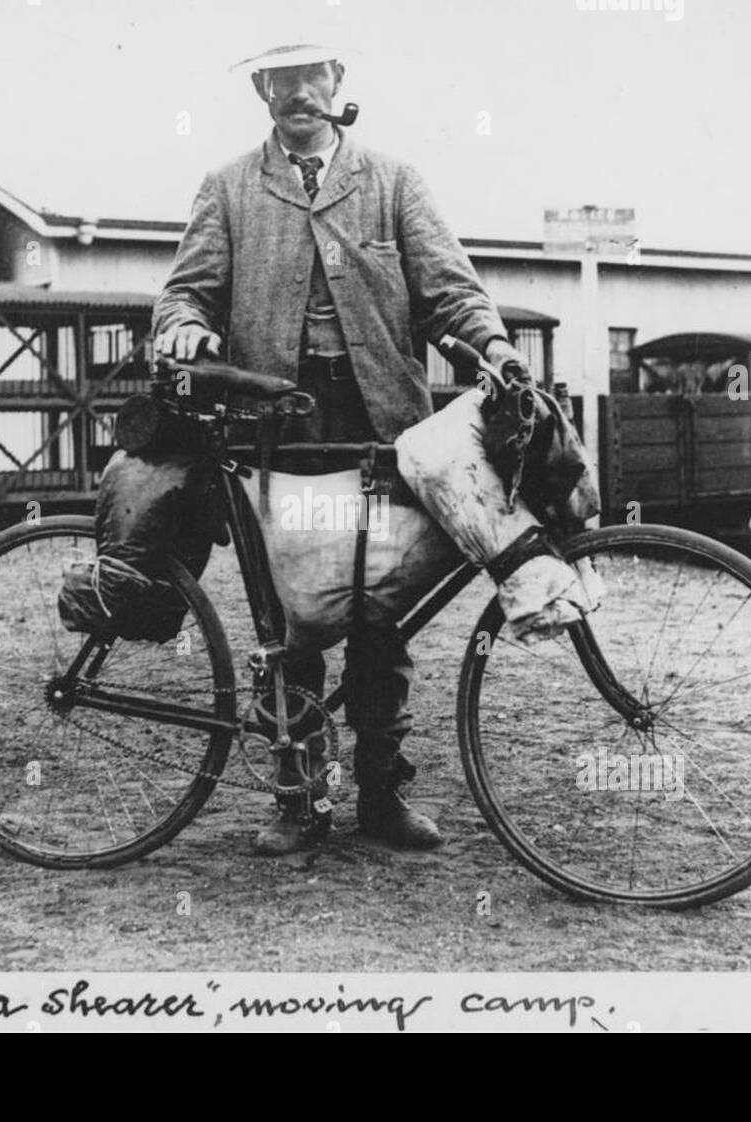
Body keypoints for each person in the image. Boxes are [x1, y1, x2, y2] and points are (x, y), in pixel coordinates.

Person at [153, 42, 530, 855]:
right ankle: (297, 796)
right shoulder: (228, 189)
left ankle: (382, 796)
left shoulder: (394, 183)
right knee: (291, 615)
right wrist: (183, 324)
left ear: (338, 83)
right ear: (261, 91)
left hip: (381, 425)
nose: (297, 93)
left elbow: (449, 291)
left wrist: (491, 348)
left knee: (381, 607)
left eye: (310, 76)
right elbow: (186, 291)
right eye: (279, 80)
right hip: (279, 429)